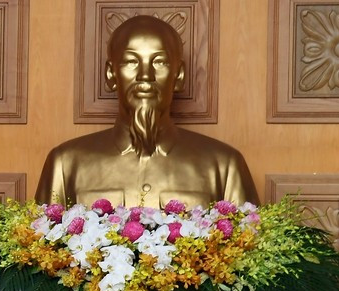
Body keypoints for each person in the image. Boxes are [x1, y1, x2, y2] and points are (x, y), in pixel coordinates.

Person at [36, 15, 258, 209]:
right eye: (131, 61)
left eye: (159, 62)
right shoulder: (65, 164)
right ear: (111, 74)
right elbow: (41, 242)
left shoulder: (224, 166)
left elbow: (248, 243)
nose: (145, 76)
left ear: (179, 75)